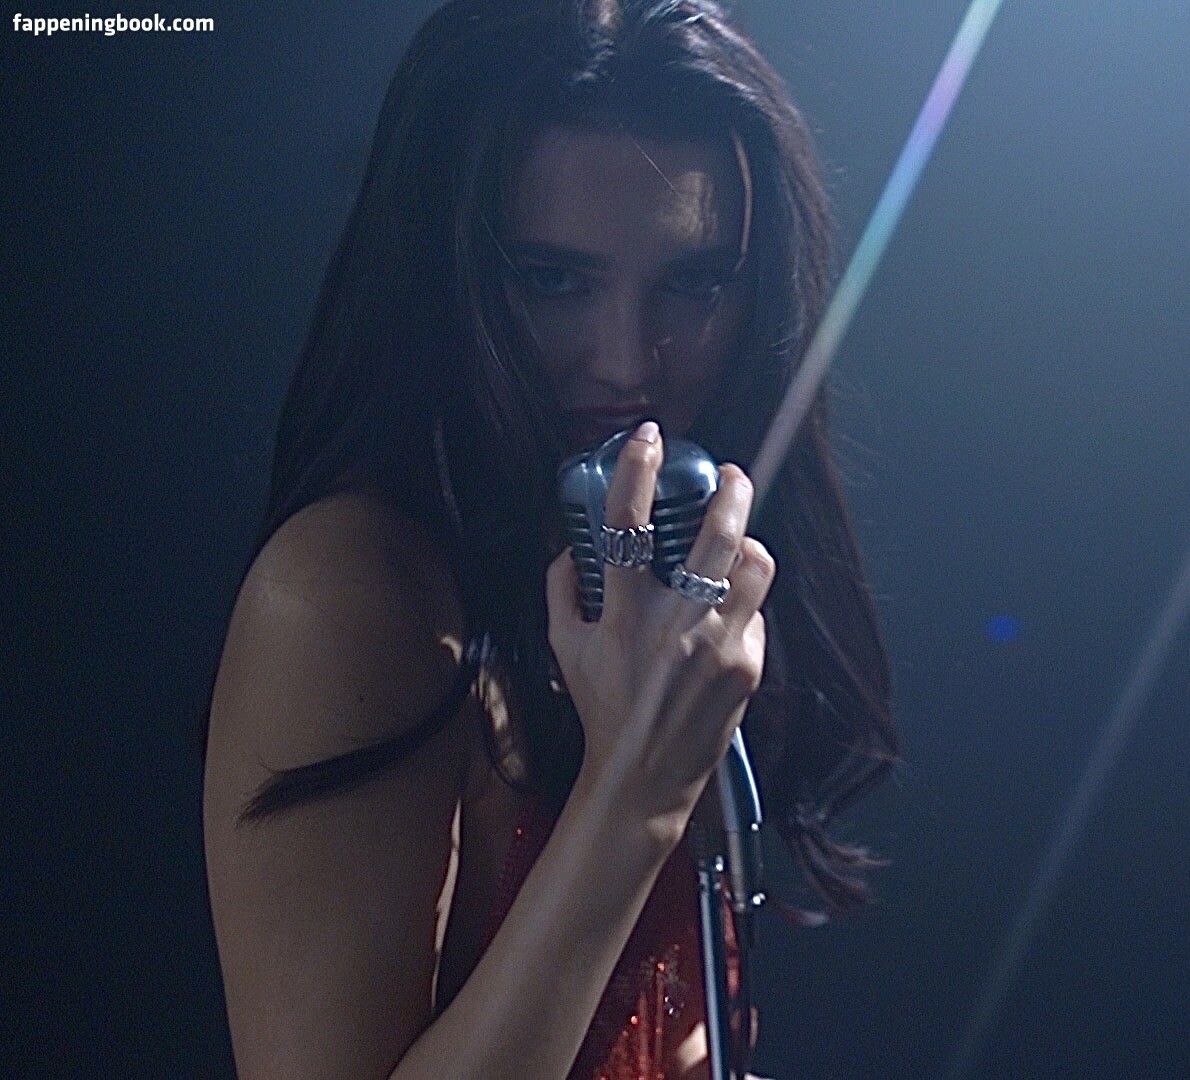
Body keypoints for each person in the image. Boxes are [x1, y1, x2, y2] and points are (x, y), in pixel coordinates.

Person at [200, 1, 898, 1076]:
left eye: (695, 283)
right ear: (447, 276)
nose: (628, 362)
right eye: (554, 281)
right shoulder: (349, 596)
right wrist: (638, 794)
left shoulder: (655, 574)